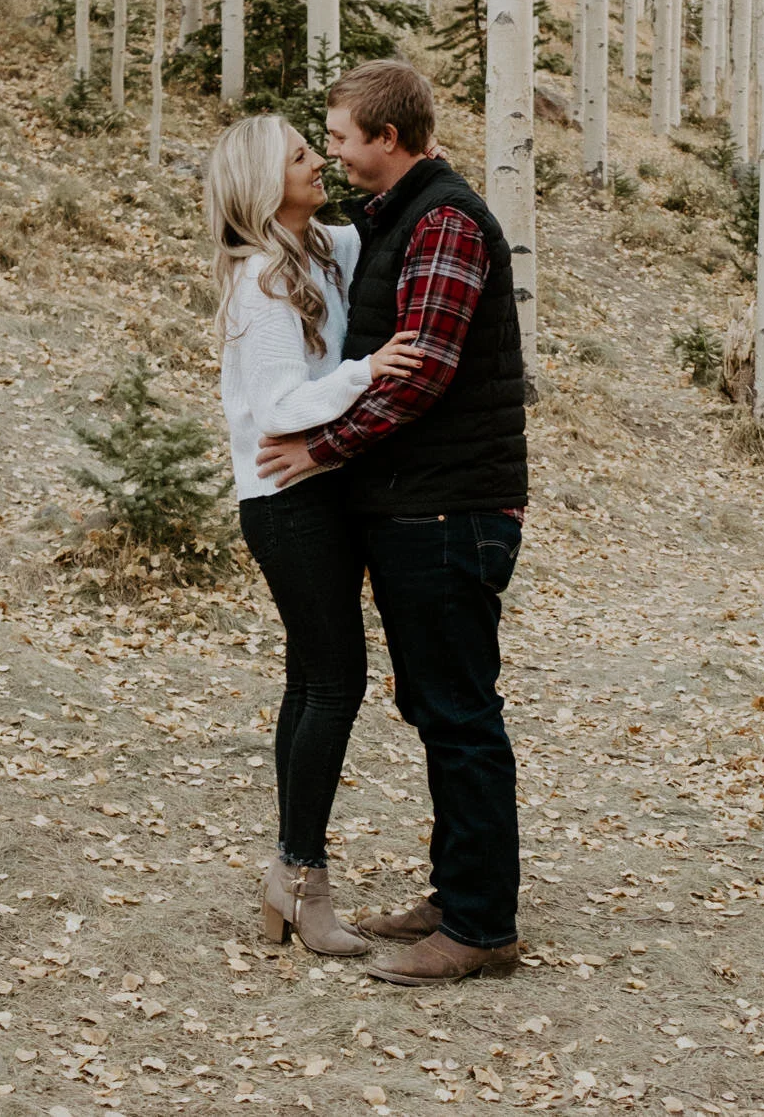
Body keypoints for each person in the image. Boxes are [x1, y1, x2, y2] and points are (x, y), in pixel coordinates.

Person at [257, 60, 529, 987]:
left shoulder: (444, 220)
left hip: (449, 508)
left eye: (340, 137)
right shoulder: (393, 217)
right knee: (437, 705)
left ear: (388, 137)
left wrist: (322, 448)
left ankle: (481, 925)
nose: (332, 151)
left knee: (459, 712)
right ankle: (458, 896)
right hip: (420, 505)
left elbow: (424, 372)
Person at [205, 114, 420, 958]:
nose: (319, 160)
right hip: (284, 500)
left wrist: (418, 164)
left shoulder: (322, 248)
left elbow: (382, 223)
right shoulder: (261, 280)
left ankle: (286, 878)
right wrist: (370, 369)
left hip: (319, 491)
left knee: (312, 680)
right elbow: (278, 407)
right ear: (266, 184)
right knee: (334, 682)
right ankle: (303, 879)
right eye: (301, 155)